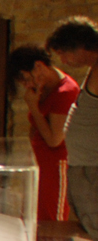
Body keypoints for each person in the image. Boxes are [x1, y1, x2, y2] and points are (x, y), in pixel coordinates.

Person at [8, 45, 79, 221]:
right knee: (33, 216)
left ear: (39, 66)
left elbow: (54, 139)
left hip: (55, 164)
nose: (27, 85)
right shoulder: (43, 87)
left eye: (27, 79)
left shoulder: (65, 91)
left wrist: (33, 106)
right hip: (39, 160)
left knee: (50, 218)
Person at [46, 17, 98, 240]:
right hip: (84, 165)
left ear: (81, 46)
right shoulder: (93, 69)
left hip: (92, 167)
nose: (64, 61)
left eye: (65, 54)